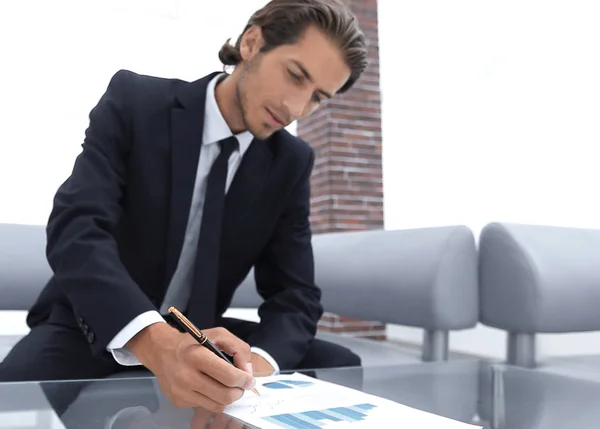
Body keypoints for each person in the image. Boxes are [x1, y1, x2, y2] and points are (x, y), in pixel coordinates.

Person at [0, 0, 367, 413]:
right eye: (295, 76)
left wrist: (257, 368)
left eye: (317, 97)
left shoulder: (291, 161)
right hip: (93, 321)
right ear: (252, 42)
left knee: (338, 365)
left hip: (201, 331)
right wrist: (154, 340)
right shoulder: (136, 102)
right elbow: (77, 229)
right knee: (11, 396)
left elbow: (295, 293)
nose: (296, 109)